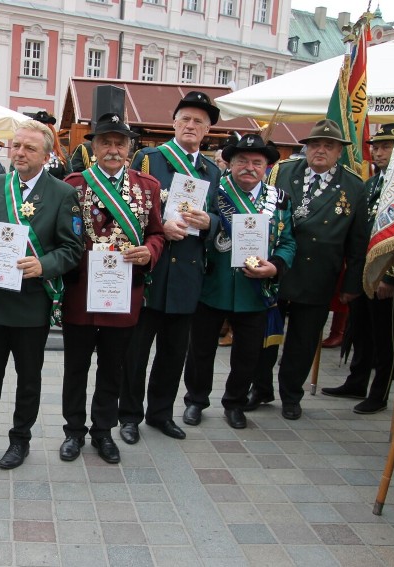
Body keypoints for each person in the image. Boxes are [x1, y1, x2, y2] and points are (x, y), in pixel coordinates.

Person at [0, 119, 83, 469]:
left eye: (29, 148)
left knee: (28, 379)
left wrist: (45, 265)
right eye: (16, 146)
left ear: (48, 155)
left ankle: (19, 440)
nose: (20, 153)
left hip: (30, 303)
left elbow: (72, 249)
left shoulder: (62, 193)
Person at [59, 113, 165, 463]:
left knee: (112, 368)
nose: (113, 149)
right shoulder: (74, 183)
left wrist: (148, 252)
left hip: (124, 295)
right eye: (106, 142)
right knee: (75, 368)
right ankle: (73, 431)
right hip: (81, 294)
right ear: (94, 146)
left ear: (130, 149)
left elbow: (157, 234)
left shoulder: (147, 187)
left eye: (120, 143)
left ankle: (103, 431)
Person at [248, 119, 368, 420]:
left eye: (329, 146)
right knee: (266, 336)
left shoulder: (354, 186)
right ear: (307, 147)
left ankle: (291, 394)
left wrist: (351, 283)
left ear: (339, 151)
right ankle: (260, 388)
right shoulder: (283, 172)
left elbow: (358, 241)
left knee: (303, 341)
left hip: (317, 275)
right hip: (276, 270)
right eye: (315, 144)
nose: (321, 150)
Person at [118, 91, 221, 442]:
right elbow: (129, 209)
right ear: (174, 123)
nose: (192, 126)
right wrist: (161, 228)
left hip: (187, 274)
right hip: (152, 270)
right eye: (186, 119)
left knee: (174, 352)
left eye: (199, 122)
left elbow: (219, 219)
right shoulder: (149, 159)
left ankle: (160, 413)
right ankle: (129, 415)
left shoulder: (210, 170)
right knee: (136, 351)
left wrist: (210, 223)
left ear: (207, 131)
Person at [183, 134, 295, 429]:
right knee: (200, 351)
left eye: (257, 162)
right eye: (242, 161)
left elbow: (288, 241)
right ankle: (195, 400)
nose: (249, 167)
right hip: (213, 284)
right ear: (229, 163)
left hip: (254, 288)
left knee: (247, 354)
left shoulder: (279, 199)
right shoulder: (211, 193)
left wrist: (276, 266)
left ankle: (234, 403)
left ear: (267, 167)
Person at [320, 123, 394, 414]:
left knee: (386, 336)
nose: (378, 153)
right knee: (361, 330)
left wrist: (393, 276)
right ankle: (356, 381)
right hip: (364, 270)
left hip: (389, 274)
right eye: (375, 147)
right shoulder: (370, 183)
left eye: (385, 147)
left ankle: (379, 392)